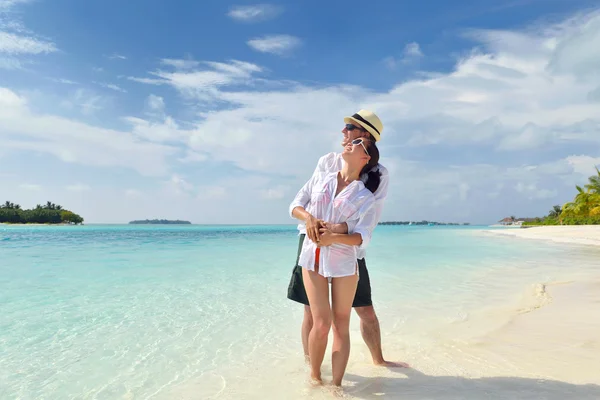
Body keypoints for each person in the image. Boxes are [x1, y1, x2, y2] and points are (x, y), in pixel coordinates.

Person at [287, 109, 409, 368]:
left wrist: (335, 232)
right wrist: (313, 223)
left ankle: (379, 361)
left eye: (350, 128)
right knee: (311, 311)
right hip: (312, 241)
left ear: (365, 135)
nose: (343, 132)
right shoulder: (327, 162)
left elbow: (370, 219)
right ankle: (311, 367)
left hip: (350, 247)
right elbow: (304, 201)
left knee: (365, 309)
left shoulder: (380, 174)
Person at [289, 137, 381, 387]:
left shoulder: (365, 197)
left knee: (341, 324)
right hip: (312, 258)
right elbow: (295, 205)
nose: (350, 143)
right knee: (321, 323)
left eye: (359, 143)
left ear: (366, 158)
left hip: (344, 263)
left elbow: (363, 237)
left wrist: (334, 237)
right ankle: (315, 380)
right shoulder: (321, 178)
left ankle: (337, 387)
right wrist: (309, 218)